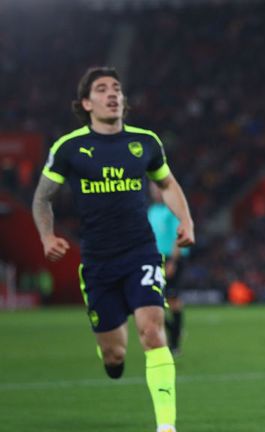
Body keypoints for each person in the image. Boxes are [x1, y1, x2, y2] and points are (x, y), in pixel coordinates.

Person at [32, 67, 194, 432]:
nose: (112, 94)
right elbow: (42, 199)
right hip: (98, 262)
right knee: (115, 354)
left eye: (117, 88)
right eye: (102, 89)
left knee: (152, 332)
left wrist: (187, 221)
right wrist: (46, 236)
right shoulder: (69, 148)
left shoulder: (146, 142)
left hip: (141, 252)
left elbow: (167, 184)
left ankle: (166, 426)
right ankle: (110, 356)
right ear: (86, 103)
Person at [148, 183, 190, 356]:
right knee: (153, 301)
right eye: (153, 189)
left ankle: (174, 341)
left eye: (158, 188)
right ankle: (175, 331)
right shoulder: (151, 211)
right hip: (154, 258)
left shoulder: (172, 209)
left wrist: (173, 260)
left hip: (171, 258)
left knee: (172, 300)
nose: (155, 192)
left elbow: (178, 235)